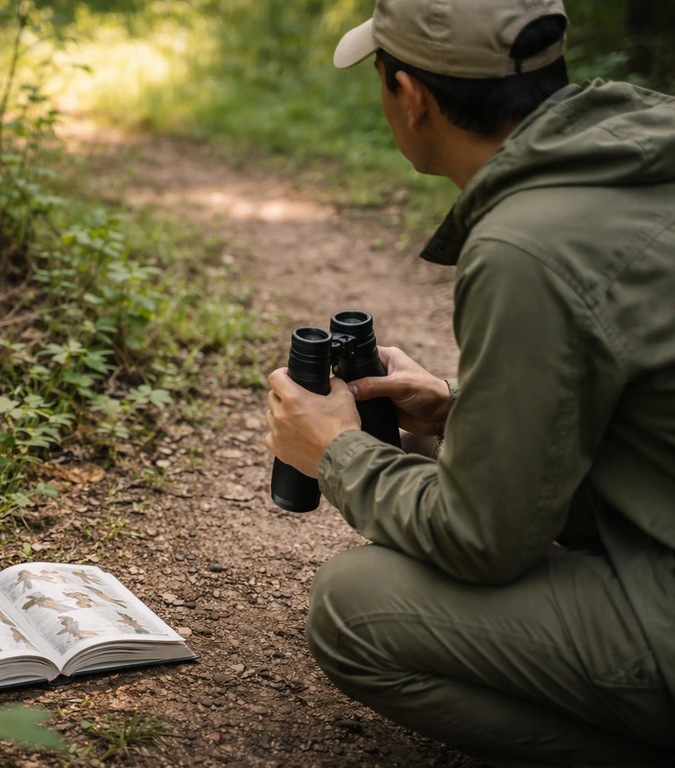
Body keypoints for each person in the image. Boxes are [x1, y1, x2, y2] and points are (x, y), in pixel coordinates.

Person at [261, 1, 675, 765]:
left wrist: (338, 452)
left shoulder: (527, 245)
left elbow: (485, 541)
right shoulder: (645, 152)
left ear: (411, 97)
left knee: (353, 609)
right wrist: (457, 408)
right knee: (430, 453)